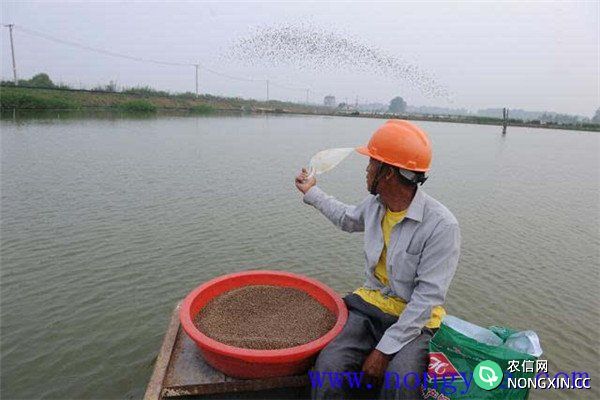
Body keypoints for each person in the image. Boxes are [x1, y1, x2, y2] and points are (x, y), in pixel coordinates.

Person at [295, 120, 461, 400]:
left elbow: (426, 298)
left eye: (372, 163)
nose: (367, 169)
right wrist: (311, 191)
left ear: (388, 174)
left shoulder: (441, 226)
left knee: (400, 380)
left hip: (415, 321)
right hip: (370, 306)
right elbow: (347, 218)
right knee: (329, 366)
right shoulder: (376, 205)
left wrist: (384, 351)